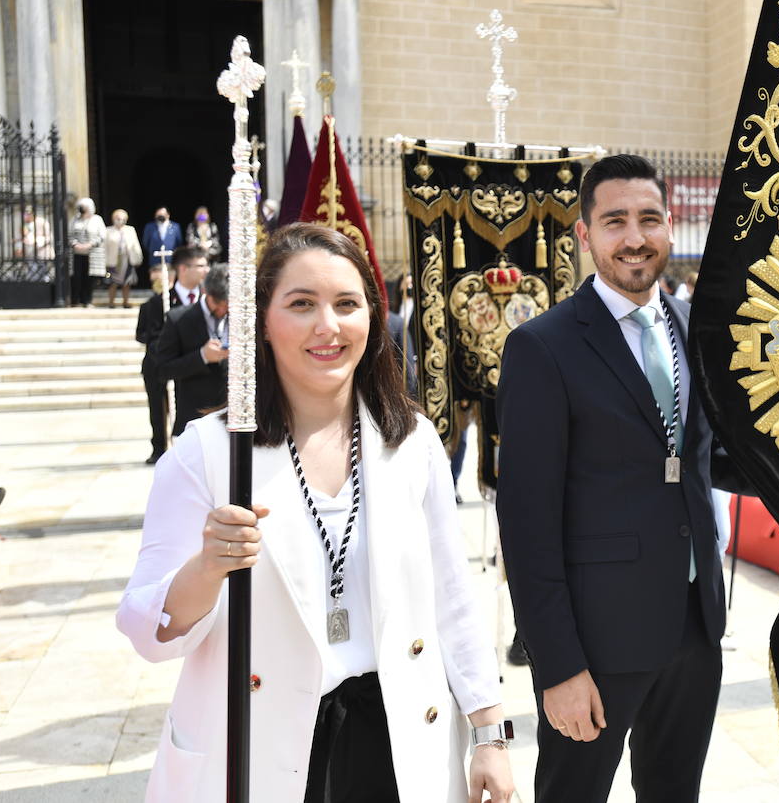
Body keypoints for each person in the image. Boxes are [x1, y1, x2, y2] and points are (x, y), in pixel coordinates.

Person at [117, 224, 513, 801]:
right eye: (301, 305)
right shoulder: (205, 455)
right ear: (263, 322)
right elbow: (147, 631)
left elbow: (453, 597)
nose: (328, 327)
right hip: (263, 742)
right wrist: (206, 569)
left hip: (398, 740)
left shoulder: (412, 443)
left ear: (372, 319)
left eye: (347, 304)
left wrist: (490, 734)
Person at [496, 154, 724, 803]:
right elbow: (526, 522)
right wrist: (558, 665)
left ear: (670, 228)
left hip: (693, 628)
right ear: (584, 234)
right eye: (615, 220)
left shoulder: (691, 328)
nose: (634, 237)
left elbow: (709, 460)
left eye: (649, 219)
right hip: (594, 642)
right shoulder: (545, 347)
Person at [135, 245, 207, 464]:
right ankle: (159, 448)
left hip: (193, 365)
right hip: (161, 364)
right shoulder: (158, 302)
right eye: (201, 265)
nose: (206, 270)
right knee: (159, 408)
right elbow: (147, 335)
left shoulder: (207, 300)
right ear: (184, 269)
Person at [153, 264, 229, 435]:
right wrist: (202, 356)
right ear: (206, 293)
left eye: (228, 305)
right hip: (195, 417)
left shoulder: (243, 316)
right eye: (219, 304)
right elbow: (162, 370)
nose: (223, 310)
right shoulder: (178, 319)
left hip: (235, 415)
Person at [68, 197, 106, 307]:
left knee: (89, 278)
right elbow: (69, 234)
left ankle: (87, 301)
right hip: (77, 253)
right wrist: (76, 244)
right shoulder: (74, 219)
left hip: (92, 253)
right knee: (76, 277)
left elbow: (102, 235)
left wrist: (90, 244)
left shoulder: (97, 219)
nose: (82, 209)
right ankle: (75, 301)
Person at [103, 209, 143, 308]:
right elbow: (104, 247)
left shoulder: (130, 230)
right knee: (112, 283)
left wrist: (138, 258)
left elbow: (135, 245)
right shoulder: (108, 231)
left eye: (122, 218)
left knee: (127, 283)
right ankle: (111, 303)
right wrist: (104, 262)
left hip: (127, 260)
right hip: (113, 261)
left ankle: (126, 302)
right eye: (118, 218)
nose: (120, 220)